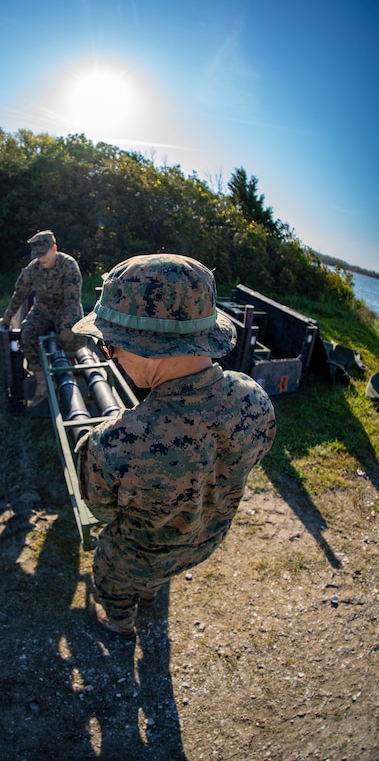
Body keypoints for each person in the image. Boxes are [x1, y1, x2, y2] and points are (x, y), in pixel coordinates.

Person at [72, 253, 276, 638]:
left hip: (137, 555)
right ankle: (149, 593)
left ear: (147, 347)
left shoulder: (117, 441)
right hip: (206, 540)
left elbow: (100, 509)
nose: (108, 354)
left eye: (109, 346)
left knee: (113, 577)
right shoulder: (256, 399)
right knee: (154, 572)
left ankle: (120, 621)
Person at [0, 230, 84, 407]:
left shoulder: (69, 265)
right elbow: (19, 294)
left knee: (71, 338)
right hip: (43, 309)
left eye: (44, 254)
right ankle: (42, 381)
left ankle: (73, 370)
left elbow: (72, 300)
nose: (41, 259)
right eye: (37, 255)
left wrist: (67, 326)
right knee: (27, 333)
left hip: (66, 309)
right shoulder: (33, 269)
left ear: (54, 248)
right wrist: (7, 317)